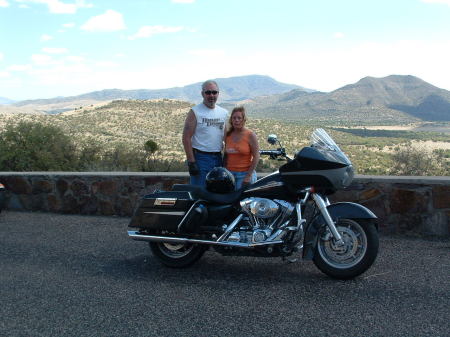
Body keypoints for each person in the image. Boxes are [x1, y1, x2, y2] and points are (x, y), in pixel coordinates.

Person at [182, 80, 228, 186]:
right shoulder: (195, 112)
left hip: (218, 158)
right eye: (208, 92)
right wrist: (191, 162)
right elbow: (186, 138)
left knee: (216, 191)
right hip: (200, 158)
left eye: (214, 92)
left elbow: (226, 138)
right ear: (202, 94)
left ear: (218, 93)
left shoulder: (223, 113)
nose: (211, 95)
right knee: (200, 192)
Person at [224, 106, 260, 189]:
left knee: (243, 201)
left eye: (239, 118)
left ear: (244, 120)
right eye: (234, 118)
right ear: (231, 120)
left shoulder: (250, 135)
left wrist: (248, 176)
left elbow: (256, 156)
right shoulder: (228, 135)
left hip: (244, 175)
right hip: (229, 176)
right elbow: (225, 155)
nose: (236, 120)